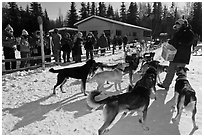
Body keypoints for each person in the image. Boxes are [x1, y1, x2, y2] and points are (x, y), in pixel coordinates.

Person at [158, 18, 195, 90]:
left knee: (180, 73)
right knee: (170, 71)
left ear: (182, 25)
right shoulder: (177, 32)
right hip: (174, 55)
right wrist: (170, 42)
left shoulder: (189, 32)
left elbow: (187, 42)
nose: (176, 26)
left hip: (182, 56)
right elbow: (174, 41)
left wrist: (177, 42)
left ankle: (182, 87)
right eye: (176, 25)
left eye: (178, 24)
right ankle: (165, 84)